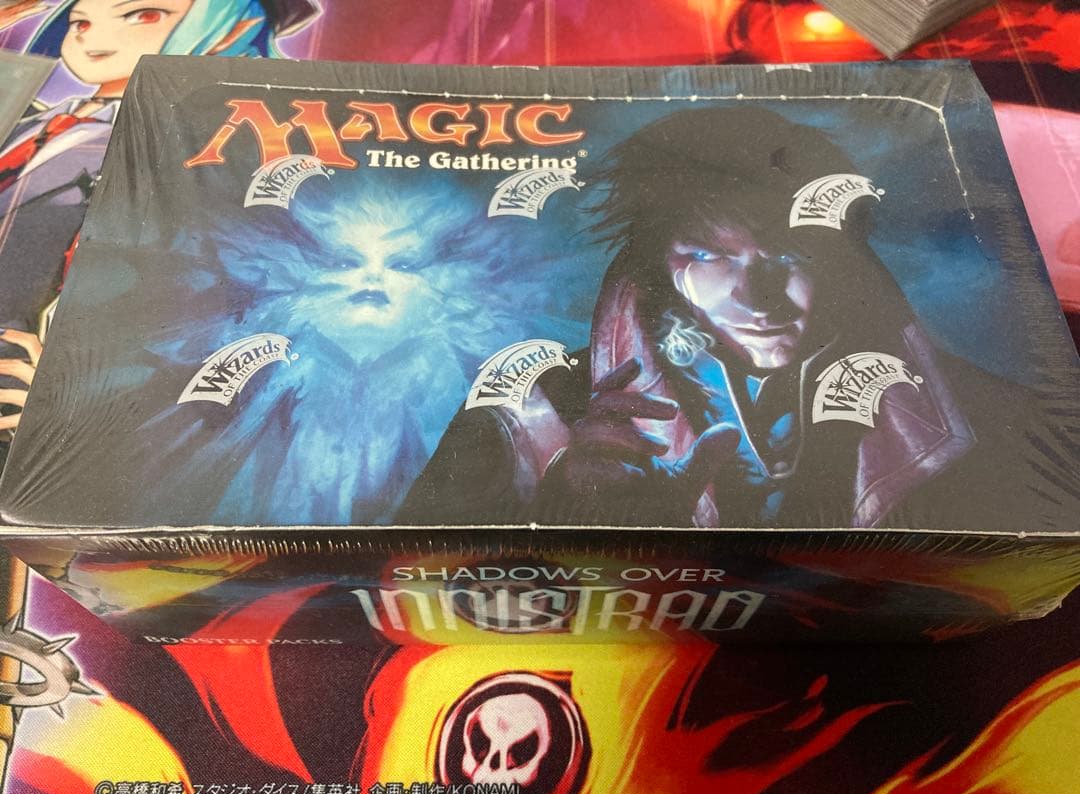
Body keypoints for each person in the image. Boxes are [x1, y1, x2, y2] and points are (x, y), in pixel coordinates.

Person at [402, 105, 1073, 531]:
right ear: (655, 264)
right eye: (708, 256)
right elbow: (408, 576)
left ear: (844, 258)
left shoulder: (985, 418)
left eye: (790, 255)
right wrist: (566, 521)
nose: (757, 297)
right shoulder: (532, 412)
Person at [0, 0, 319, 456]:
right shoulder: (33, 119)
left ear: (232, 25)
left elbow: (220, 307)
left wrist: (83, 395)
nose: (92, 35)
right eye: (80, 22)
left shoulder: (216, 152)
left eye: (143, 15)